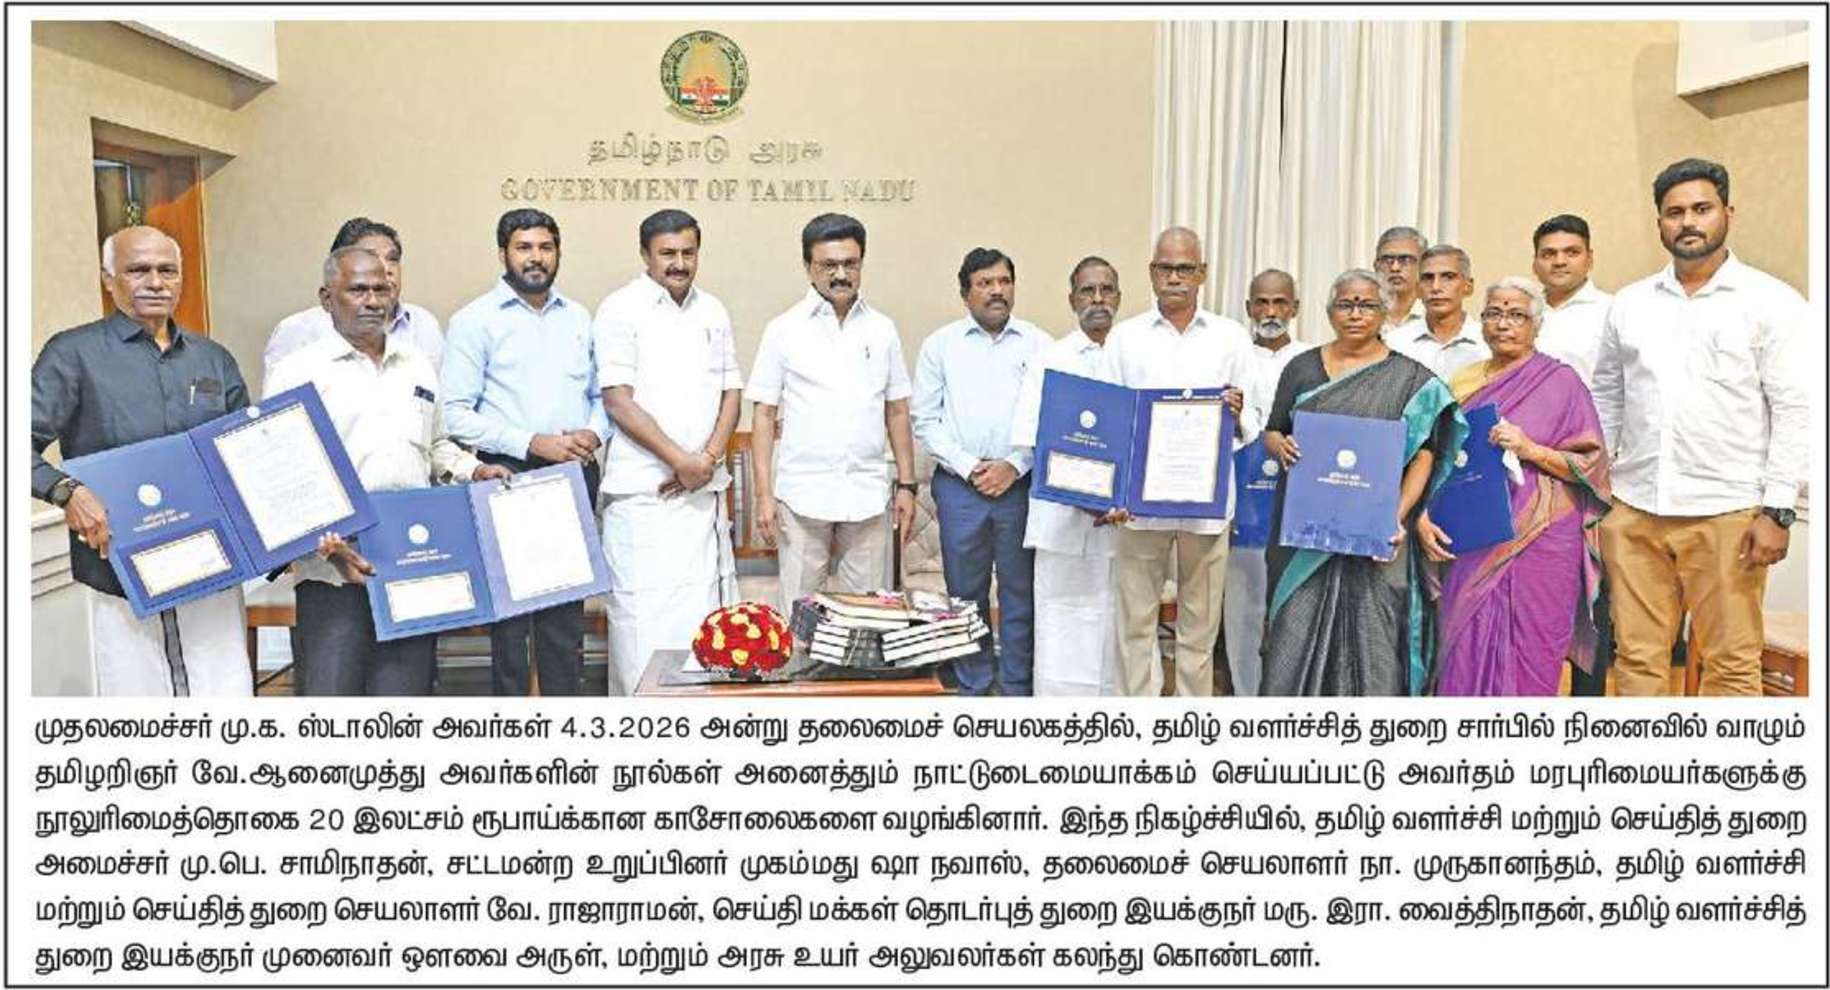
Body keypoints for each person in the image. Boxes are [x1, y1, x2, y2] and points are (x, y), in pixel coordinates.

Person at [1592, 157, 1807, 696]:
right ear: (1659, 222)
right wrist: (1602, 491)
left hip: (1728, 513)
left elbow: (1795, 408)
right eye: (1675, 212)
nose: (1688, 222)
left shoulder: (1773, 302)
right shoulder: (1630, 303)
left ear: (1728, 214)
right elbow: (1607, 398)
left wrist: (1778, 510)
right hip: (1635, 508)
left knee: (1730, 665)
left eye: (1701, 209)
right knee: (1636, 659)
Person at [266, 247, 509, 696]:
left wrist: (475, 471)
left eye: (382, 289)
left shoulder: (416, 364)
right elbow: (283, 474)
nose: (373, 301)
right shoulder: (296, 372)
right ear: (327, 298)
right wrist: (327, 546)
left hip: (410, 564)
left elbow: (436, 445)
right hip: (334, 569)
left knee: (405, 694)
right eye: (358, 290)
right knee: (333, 702)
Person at [31, 226, 252, 696]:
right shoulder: (72, 355)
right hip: (122, 571)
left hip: (212, 566)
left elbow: (247, 453)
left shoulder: (214, 360)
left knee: (223, 694)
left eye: (167, 270)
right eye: (138, 270)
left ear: (181, 278)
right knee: (139, 704)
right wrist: (66, 491)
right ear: (108, 279)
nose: (155, 282)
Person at [1259, 269, 1465, 696]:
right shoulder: (1301, 367)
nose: (1355, 314)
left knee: (1375, 644)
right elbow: (1274, 430)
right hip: (1304, 534)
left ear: (1384, 313)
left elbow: (1425, 454)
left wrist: (1395, 516)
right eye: (1345, 305)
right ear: (1329, 312)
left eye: (1367, 305)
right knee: (1291, 636)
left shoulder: (1410, 379)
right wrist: (1280, 446)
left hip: (1376, 535)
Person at [442, 208, 609, 697]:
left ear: (558, 253)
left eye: (545, 247)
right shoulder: (474, 321)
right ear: (503, 254)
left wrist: (593, 434)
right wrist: (532, 442)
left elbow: (601, 396)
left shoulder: (578, 317)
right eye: (524, 247)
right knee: (511, 627)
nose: (536, 258)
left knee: (564, 620)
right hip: (508, 475)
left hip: (573, 472)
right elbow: (454, 414)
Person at [1419, 278, 1611, 696]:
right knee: (1464, 641)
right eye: (1494, 314)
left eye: (1516, 315)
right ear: (1482, 321)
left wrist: (1531, 449)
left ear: (1536, 324)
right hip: (1472, 534)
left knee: (1533, 646)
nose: (1503, 324)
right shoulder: (1462, 382)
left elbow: (1591, 465)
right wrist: (1426, 514)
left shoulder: (1562, 382)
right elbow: (1437, 456)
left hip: (1544, 538)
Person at [1101, 227, 1255, 697]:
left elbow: (1255, 416)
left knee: (1199, 629)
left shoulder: (1231, 337)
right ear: (1151, 273)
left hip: (1207, 510)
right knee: (1134, 625)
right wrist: (1115, 492)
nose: (1175, 277)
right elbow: (1111, 420)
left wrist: (1237, 412)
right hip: (1140, 509)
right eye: (1166, 268)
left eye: (1185, 268)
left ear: (1202, 274)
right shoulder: (1124, 338)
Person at [593, 209, 741, 693]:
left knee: (703, 626)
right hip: (644, 498)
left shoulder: (713, 310)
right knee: (643, 628)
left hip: (700, 496)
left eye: (688, 253)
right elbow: (617, 400)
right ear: (645, 255)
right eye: (667, 254)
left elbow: (732, 392)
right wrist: (681, 461)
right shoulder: (619, 308)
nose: (679, 263)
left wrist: (707, 460)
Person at [746, 213, 918, 614]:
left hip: (867, 495)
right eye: (829, 265)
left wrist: (907, 486)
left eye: (850, 264)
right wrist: (764, 496)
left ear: (861, 263)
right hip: (802, 497)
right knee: (800, 617)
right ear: (808, 267)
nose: (841, 274)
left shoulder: (882, 329)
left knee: (869, 617)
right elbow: (763, 416)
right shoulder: (783, 329)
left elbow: (897, 411)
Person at [913, 248, 1041, 696]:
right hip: (960, 487)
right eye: (985, 283)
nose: (996, 291)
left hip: (1019, 485)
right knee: (965, 596)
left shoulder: (1039, 344)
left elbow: (1049, 417)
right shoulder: (940, 345)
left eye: (1004, 281)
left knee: (1020, 592)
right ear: (965, 293)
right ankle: (974, 686)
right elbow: (925, 420)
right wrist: (971, 468)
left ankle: (1017, 688)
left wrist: (1014, 465)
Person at [1009, 257, 1124, 695]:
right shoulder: (1049, 359)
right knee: (1060, 630)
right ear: (1072, 300)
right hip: (1060, 520)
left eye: (1106, 290)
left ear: (1119, 297)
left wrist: (1117, 497)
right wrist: (1083, 495)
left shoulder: (1132, 357)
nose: (1098, 299)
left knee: (1113, 627)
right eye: (1087, 291)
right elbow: (1030, 438)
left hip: (1119, 522)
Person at [1220, 268, 1316, 697]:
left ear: (1295, 308)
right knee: (1241, 611)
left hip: (1299, 506)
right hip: (1241, 504)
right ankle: (1246, 699)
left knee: (1296, 609)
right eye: (1262, 302)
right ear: (1249, 307)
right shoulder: (1230, 358)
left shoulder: (1314, 361)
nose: (1270, 311)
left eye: (1280, 302)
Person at [263, 217, 443, 383]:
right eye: (370, 258)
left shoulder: (423, 325)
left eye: (392, 259)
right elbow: (281, 405)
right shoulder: (298, 330)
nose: (385, 268)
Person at [1531, 213, 1612, 387]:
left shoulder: (1612, 311)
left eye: (1572, 253)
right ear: (1535, 264)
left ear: (1589, 259)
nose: (1559, 261)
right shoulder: (1522, 312)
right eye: (1548, 254)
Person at [1392, 244, 1490, 379]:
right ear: (1418, 289)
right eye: (1428, 278)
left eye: (1448, 277)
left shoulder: (1488, 343)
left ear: (1468, 286)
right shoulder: (1396, 343)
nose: (1436, 287)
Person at [1372, 226, 1428, 339]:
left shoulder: (1435, 317)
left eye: (1405, 260)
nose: (1395, 268)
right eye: (1387, 260)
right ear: (1376, 266)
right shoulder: (1360, 316)